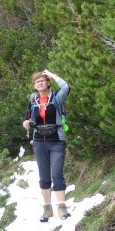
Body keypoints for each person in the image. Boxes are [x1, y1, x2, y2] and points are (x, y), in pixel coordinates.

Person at [22, 69, 71, 222]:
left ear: (48, 83)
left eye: (43, 80)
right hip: (39, 142)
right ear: (35, 86)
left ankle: (62, 209)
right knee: (44, 177)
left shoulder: (56, 97)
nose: (40, 83)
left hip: (56, 140)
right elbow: (27, 120)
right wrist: (26, 124)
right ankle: (47, 210)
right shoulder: (33, 101)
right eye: (37, 81)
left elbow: (66, 87)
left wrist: (52, 74)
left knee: (56, 174)